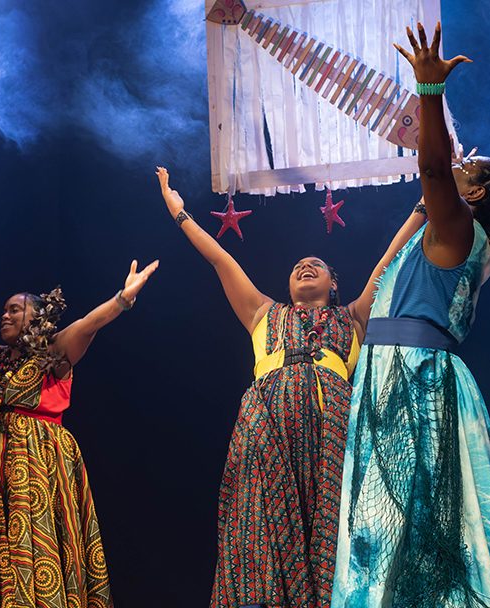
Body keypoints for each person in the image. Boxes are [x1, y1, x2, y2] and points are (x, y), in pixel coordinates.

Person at [332, 23, 490, 608]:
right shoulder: (445, 233)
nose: (461, 161)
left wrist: (429, 92)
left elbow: (433, 172)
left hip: (416, 379)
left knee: (418, 535)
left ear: (475, 196)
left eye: (471, 166)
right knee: (392, 538)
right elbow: (391, 262)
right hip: (395, 372)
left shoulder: (459, 230)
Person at [155, 166, 425, 608]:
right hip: (265, 429)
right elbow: (222, 260)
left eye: (315, 266)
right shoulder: (262, 313)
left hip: (333, 434)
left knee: (335, 528)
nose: (304, 267)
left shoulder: (353, 318)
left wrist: (422, 209)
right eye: (298, 266)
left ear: (333, 285)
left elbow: (389, 262)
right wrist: (180, 213)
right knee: (255, 526)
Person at [0, 260, 157, 608]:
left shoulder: (54, 352)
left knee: (35, 545)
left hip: (37, 466)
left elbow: (90, 324)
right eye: (4, 310)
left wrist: (122, 298)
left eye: (16, 309)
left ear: (37, 316)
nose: (6, 315)